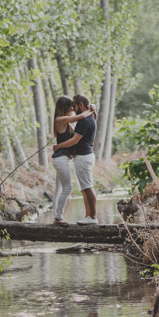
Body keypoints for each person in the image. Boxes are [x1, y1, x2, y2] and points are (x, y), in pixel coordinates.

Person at [50, 96, 96, 226]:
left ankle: (57, 216)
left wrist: (92, 107)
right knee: (67, 188)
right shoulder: (60, 119)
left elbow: (80, 118)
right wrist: (91, 109)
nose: (72, 109)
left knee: (58, 190)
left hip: (62, 159)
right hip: (60, 159)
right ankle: (58, 218)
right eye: (70, 106)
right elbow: (80, 117)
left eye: (73, 106)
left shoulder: (66, 122)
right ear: (63, 107)